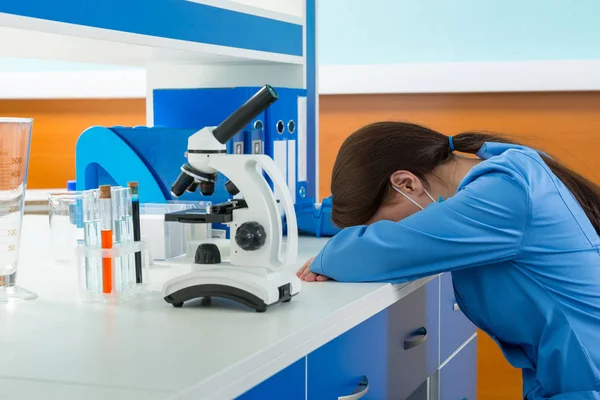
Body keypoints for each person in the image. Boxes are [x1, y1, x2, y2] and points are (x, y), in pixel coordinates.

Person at [296, 122, 600, 399]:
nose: (390, 231)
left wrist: (327, 257)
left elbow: (379, 251)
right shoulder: (510, 169)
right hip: (567, 376)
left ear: (406, 183)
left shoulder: (503, 195)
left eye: (380, 226)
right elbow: (385, 225)